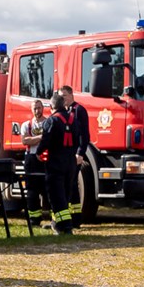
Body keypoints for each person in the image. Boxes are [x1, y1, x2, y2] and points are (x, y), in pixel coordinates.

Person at [36, 91, 77, 235]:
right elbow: (78, 139)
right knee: (66, 194)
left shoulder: (51, 121)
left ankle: (63, 227)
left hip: (55, 163)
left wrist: (38, 153)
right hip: (71, 162)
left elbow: (45, 141)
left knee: (56, 195)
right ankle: (57, 223)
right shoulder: (73, 119)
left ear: (51, 106)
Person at [58, 85, 91, 228]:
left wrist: (80, 153)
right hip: (64, 154)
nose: (62, 98)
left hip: (75, 153)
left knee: (72, 185)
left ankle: (76, 219)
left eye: (64, 95)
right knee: (66, 185)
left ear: (71, 95)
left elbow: (85, 135)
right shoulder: (62, 112)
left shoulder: (79, 110)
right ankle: (67, 218)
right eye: (60, 96)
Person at [19, 99, 47, 228]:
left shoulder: (48, 122)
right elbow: (25, 141)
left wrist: (33, 140)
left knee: (48, 190)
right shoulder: (26, 125)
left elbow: (49, 140)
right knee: (32, 192)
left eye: (39, 108)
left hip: (46, 159)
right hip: (31, 159)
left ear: (43, 108)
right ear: (31, 110)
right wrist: (41, 138)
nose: (37, 110)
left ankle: (53, 218)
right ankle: (34, 219)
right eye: (35, 108)